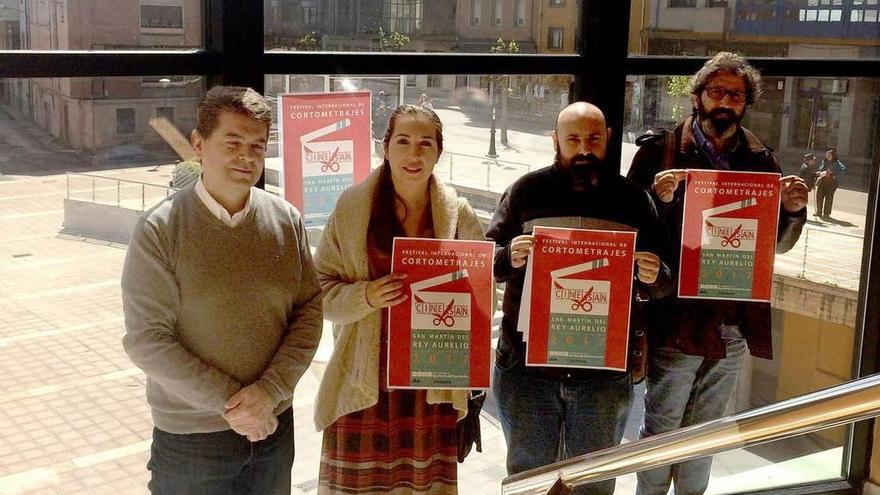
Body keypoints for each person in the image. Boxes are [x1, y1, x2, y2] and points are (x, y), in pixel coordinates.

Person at [121, 86, 323, 495]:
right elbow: (147, 341)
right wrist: (238, 404)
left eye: (257, 145)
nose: (247, 157)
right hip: (191, 442)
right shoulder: (160, 230)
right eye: (232, 143)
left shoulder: (286, 221)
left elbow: (309, 313)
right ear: (198, 143)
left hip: (272, 432)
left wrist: (269, 394)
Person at [627, 52, 808, 495]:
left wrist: (792, 213)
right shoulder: (659, 152)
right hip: (676, 321)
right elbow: (630, 239)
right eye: (716, 91)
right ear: (697, 95)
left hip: (731, 324)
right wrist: (659, 200)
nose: (725, 101)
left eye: (736, 94)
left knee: (706, 435)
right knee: (662, 429)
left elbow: (776, 247)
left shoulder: (763, 160)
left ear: (747, 103)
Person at [487, 101, 674, 495]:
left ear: (606, 139)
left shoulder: (635, 200)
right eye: (573, 139)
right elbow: (487, 261)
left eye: (593, 139)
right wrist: (508, 257)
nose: (584, 149)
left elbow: (664, 280)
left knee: (595, 484)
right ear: (555, 140)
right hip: (526, 370)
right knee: (528, 482)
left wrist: (655, 276)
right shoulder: (525, 190)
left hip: (601, 376)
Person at [313, 104, 485, 494]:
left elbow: (479, 300)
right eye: (403, 141)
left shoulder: (459, 215)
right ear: (384, 147)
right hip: (362, 379)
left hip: (430, 384)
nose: (414, 154)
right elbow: (319, 290)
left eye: (426, 144)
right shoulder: (351, 208)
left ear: (439, 153)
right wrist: (366, 296)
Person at [816, 147, 847, 219]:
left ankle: (826, 213)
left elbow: (843, 170)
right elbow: (820, 168)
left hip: (831, 183)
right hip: (823, 181)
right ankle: (819, 212)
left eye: (829, 155)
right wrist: (820, 173)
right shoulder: (824, 161)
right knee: (819, 196)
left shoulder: (838, 163)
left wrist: (834, 176)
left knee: (829, 198)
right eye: (826, 155)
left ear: (833, 156)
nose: (827, 156)